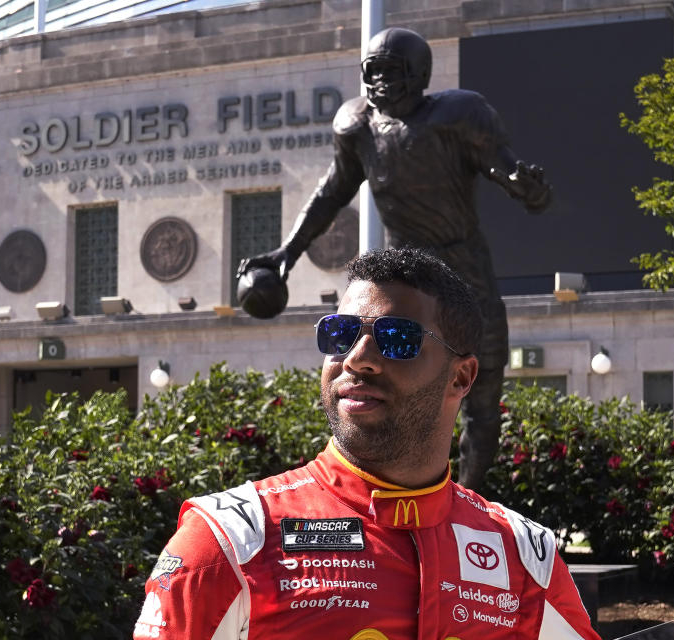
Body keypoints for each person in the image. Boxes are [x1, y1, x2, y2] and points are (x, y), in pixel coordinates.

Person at [134, 247, 599, 640]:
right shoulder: (228, 541)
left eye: (397, 339)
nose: (357, 358)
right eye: (341, 333)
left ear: (461, 377)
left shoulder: (525, 555)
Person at [238, 27, 551, 491]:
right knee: (383, 382)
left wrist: (526, 186)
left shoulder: (458, 115)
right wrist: (289, 252)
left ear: (419, 74)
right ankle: (379, 490)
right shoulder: (358, 125)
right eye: (375, 69)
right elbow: (330, 193)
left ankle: (465, 498)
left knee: (480, 388)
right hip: (403, 281)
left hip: (464, 268)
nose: (382, 80)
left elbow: (504, 167)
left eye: (393, 69)